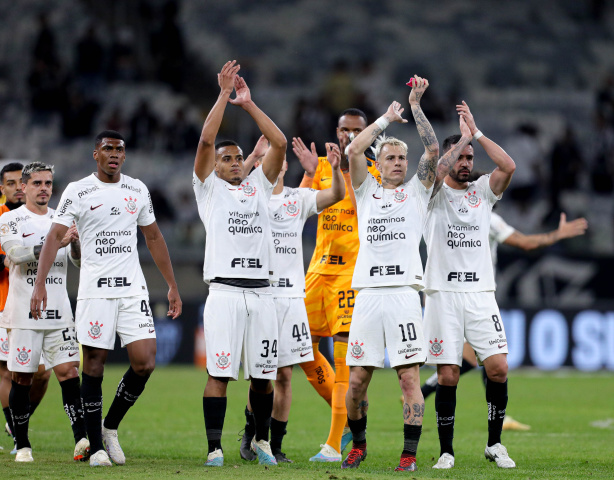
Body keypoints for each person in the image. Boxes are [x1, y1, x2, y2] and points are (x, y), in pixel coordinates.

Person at [30, 130, 182, 467]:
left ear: (124, 156)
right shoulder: (78, 191)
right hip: (95, 290)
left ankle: (109, 427)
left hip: (131, 288)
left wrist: (171, 284)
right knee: (94, 363)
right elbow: (55, 236)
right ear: (95, 154)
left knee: (145, 361)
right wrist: (39, 284)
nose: (114, 154)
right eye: (107, 149)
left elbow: (154, 236)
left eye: (119, 150)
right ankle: (96, 447)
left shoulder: (137, 189)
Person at [341, 79, 470, 472]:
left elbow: (433, 150)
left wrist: (415, 105)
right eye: (391, 157)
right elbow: (353, 149)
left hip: (402, 295)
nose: (398, 162)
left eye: (402, 157)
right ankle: (359, 445)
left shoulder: (418, 191)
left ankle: (409, 455)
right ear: (379, 164)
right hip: (367, 296)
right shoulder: (365, 191)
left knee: (409, 381)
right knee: (357, 382)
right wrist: (384, 120)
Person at [194, 61, 286, 467]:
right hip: (226, 291)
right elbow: (205, 141)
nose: (233, 162)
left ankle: (262, 442)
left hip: (262, 292)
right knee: (219, 374)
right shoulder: (209, 190)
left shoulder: (258, 188)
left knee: (264, 375)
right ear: (215, 167)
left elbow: (279, 144)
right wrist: (222, 95)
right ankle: (215, 447)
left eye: (237, 158)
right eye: (226, 158)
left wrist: (247, 104)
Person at [421, 210, 588, 421]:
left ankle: (422, 393)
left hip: (448, 296)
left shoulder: (444, 211)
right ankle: (423, 394)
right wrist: (556, 235)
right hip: (468, 297)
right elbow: (525, 243)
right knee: (480, 355)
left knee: (480, 357)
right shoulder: (487, 216)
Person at [423, 101, 517, 469]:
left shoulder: (483, 190)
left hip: (480, 295)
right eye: (460, 156)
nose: (465, 162)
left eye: (469, 156)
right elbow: (431, 174)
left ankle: (494, 444)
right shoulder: (432, 195)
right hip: (443, 294)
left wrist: (474, 133)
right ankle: (446, 451)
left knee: (498, 368)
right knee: (447, 374)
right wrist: (455, 144)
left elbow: (508, 166)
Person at [239, 139, 345, 463]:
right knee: (262, 374)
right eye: (269, 157)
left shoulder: (297, 199)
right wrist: (254, 156)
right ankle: (252, 435)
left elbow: (337, 195)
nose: (276, 160)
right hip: (261, 295)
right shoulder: (249, 198)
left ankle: (276, 445)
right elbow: (226, 189)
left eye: (278, 156)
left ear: (285, 164)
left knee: (285, 375)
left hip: (292, 298)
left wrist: (334, 170)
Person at [292, 108, 381, 462]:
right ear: (337, 131)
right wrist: (310, 172)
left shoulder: (375, 172)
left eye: (357, 131)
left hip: (350, 274)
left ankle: (332, 445)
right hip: (316, 271)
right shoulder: (321, 168)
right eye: (345, 130)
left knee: (344, 360)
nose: (349, 136)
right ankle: (349, 411)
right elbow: (294, 207)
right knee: (298, 347)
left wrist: (345, 167)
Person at [0, 162, 88, 462]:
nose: (44, 189)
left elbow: (75, 263)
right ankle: (22, 444)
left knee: (69, 371)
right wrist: (51, 243)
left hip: (59, 310)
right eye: (37, 183)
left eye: (48, 183)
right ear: (24, 187)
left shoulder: (60, 220)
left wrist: (73, 245)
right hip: (24, 312)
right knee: (22, 377)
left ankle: (81, 440)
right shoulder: (11, 220)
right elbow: (14, 255)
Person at [0, 163, 51, 454]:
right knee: (9, 372)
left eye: (23, 181)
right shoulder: (3, 217)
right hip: (4, 304)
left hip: (37, 305)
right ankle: (19, 435)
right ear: (3, 188)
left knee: (42, 373)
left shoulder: (36, 217)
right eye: (11, 183)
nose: (18, 187)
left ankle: (17, 422)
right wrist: (10, 258)